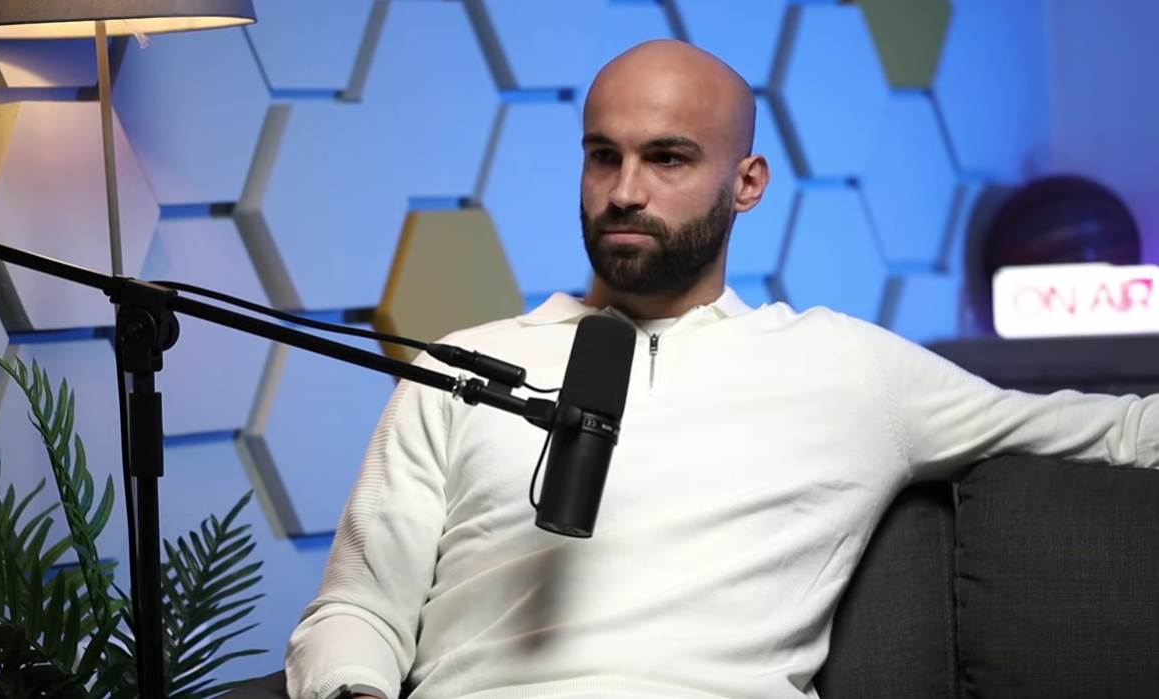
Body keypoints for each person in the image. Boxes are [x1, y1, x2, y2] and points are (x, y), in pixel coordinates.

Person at [284, 39, 1159, 699]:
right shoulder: (464, 367)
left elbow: (1117, 429)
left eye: (667, 158)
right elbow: (358, 609)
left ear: (748, 183)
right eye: (603, 155)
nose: (624, 191)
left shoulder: (847, 366)